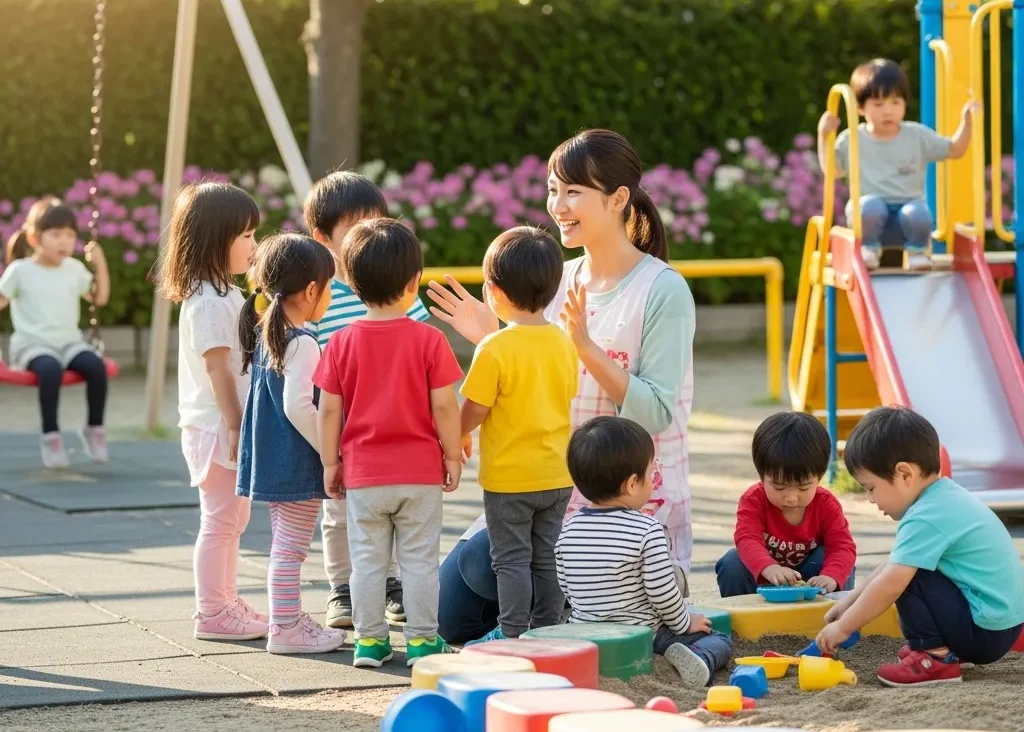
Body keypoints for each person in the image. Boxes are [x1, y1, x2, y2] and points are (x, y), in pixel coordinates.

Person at [428, 129, 696, 641]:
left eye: (574, 191)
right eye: (553, 190)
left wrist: (588, 349)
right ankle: (544, 624)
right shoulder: (557, 277)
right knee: (453, 612)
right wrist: (493, 337)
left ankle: (562, 625)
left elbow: (656, 413)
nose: (558, 205)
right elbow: (527, 373)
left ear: (618, 199)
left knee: (509, 585)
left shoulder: (663, 290)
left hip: (622, 508)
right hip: (544, 487)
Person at [313, 218, 462, 668]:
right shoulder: (430, 340)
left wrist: (329, 462)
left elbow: (328, 410)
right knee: (418, 560)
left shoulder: (340, 342)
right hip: (418, 474)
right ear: (414, 281)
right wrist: (452, 453)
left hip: (363, 475)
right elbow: (445, 407)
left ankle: (371, 642)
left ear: (352, 284)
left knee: (366, 561)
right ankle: (421, 641)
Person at [816, 406, 1024, 687]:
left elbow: (891, 583)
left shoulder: (925, 516)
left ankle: (934, 659)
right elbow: (891, 562)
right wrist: (850, 602)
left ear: (904, 474)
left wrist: (843, 627)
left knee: (908, 576)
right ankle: (945, 649)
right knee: (906, 566)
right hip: (1001, 626)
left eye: (871, 488)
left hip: (985, 631)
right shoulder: (943, 499)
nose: (870, 499)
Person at [303, 171, 430, 630]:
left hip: (399, 429)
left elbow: (425, 356)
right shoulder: (318, 296)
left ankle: (392, 584)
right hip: (347, 430)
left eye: (377, 222)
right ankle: (342, 589)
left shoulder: (402, 290)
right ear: (323, 237)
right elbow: (316, 376)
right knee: (339, 514)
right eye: (356, 227)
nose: (371, 235)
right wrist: (326, 444)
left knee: (400, 514)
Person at [155, 182, 268, 641]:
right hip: (217, 427)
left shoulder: (223, 293)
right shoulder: (207, 301)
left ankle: (223, 599)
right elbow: (219, 368)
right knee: (221, 519)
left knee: (233, 518)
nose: (254, 246)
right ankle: (212, 611)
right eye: (245, 236)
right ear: (213, 240)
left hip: (226, 425)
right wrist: (239, 426)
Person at [459, 227, 578, 645]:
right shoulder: (563, 342)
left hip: (510, 479)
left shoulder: (494, 348)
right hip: (557, 474)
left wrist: (455, 435)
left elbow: (475, 407)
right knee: (546, 558)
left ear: (494, 291)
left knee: (510, 560)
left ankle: (511, 634)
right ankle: (548, 630)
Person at [556, 416, 733, 688]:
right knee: (720, 639)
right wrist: (684, 623)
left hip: (585, 631)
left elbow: (566, 585)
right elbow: (661, 591)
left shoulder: (569, 528)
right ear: (631, 484)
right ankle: (699, 657)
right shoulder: (647, 529)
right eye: (652, 472)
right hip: (644, 634)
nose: (654, 480)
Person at [235, 233, 346, 654]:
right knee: (291, 547)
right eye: (331, 286)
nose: (332, 294)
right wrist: (329, 451)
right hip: (297, 458)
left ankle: (287, 618)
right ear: (312, 290)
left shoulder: (273, 332)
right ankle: (285, 628)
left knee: (283, 541)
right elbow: (299, 406)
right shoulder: (302, 342)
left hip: (274, 455)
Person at [817, 58, 978, 271]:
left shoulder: (916, 135)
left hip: (906, 220)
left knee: (918, 213)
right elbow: (832, 170)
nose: (888, 111)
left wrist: (967, 124)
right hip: (870, 221)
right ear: (860, 108)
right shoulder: (852, 138)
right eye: (878, 104)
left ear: (904, 104)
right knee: (869, 206)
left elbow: (954, 150)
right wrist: (823, 135)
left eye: (895, 103)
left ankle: (917, 253)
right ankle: (869, 249)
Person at [0, 198, 111, 469]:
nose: (65, 241)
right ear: (35, 237)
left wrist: (100, 263)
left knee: (96, 368)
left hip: (68, 343)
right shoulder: (20, 271)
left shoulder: (73, 269)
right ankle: (51, 437)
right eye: (56, 234)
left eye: (70, 235)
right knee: (49, 370)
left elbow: (100, 298)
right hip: (32, 345)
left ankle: (93, 429)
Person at [715, 411, 857, 597]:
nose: (791, 497)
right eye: (779, 488)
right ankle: (740, 622)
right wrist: (769, 567)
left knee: (834, 561)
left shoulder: (826, 504)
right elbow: (747, 538)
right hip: (766, 579)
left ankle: (836, 620)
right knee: (732, 562)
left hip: (812, 581)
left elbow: (842, 547)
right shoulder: (754, 499)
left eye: (804, 488)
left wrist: (831, 577)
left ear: (819, 477)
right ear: (762, 476)